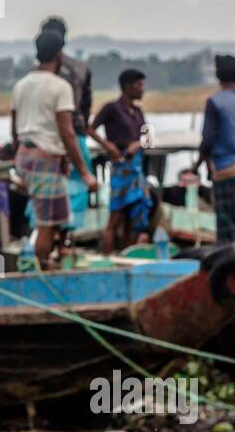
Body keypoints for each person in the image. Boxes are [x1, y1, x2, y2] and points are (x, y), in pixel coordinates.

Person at [10, 31, 98, 267]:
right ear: (59, 54)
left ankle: (47, 260)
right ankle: (39, 267)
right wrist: (86, 172)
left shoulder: (21, 85)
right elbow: (67, 133)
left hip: (26, 156)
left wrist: (18, 165)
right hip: (43, 159)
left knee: (56, 215)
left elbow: (13, 130)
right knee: (46, 222)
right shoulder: (60, 87)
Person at [195, 54, 235, 244]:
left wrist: (196, 166)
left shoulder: (215, 102)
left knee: (226, 229)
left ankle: (232, 270)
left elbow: (207, 140)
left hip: (225, 171)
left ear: (217, 75)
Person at [39, 16, 93, 226]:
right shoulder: (80, 68)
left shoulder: (37, 73)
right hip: (75, 135)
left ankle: (49, 237)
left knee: (45, 193)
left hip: (45, 140)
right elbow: (86, 108)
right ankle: (69, 239)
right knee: (78, 187)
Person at [90, 69, 153, 252]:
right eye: (139, 85)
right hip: (121, 166)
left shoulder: (138, 111)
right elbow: (90, 129)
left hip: (136, 167)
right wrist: (108, 146)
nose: (142, 89)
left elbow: (147, 138)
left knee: (132, 217)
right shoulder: (112, 108)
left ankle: (127, 256)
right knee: (115, 217)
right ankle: (108, 255)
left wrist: (137, 144)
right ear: (127, 87)